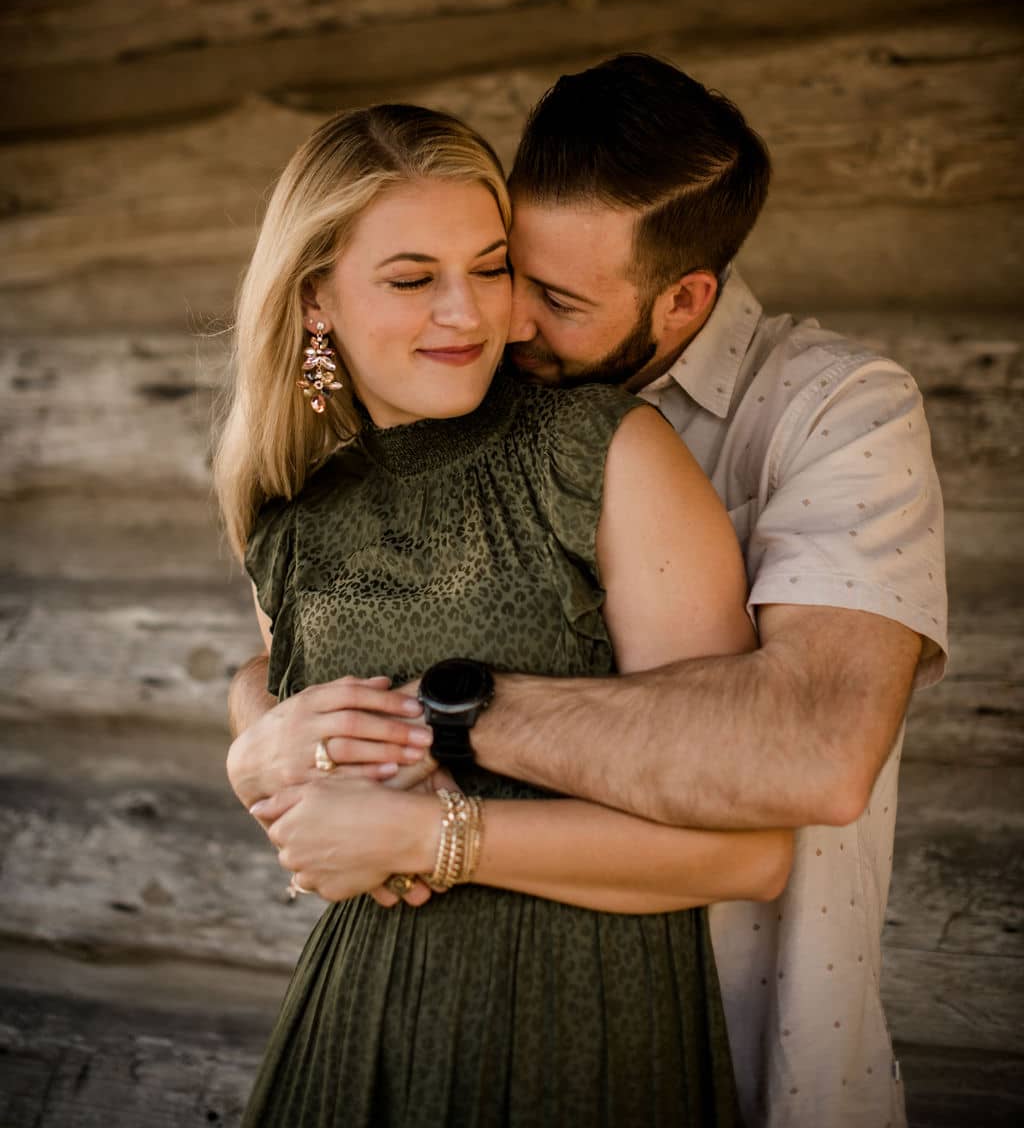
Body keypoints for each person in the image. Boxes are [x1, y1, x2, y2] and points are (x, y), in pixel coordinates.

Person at [228, 57, 948, 1128]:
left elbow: (810, 750)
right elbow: (307, 664)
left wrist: (431, 725)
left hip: (728, 1010)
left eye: (532, 288)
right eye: (500, 268)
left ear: (684, 301)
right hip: (379, 1019)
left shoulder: (827, 412)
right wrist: (261, 730)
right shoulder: (362, 469)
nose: (496, 321)